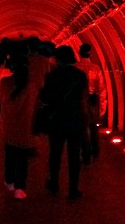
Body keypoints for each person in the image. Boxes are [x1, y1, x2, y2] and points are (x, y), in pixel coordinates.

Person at [40, 45, 88, 200]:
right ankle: (73, 189)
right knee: (74, 155)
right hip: (75, 119)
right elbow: (83, 98)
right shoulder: (80, 75)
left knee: (55, 153)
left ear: (58, 58)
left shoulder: (52, 76)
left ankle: (54, 183)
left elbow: (45, 98)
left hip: (57, 119)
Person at [0, 52, 41, 200]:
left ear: (12, 67)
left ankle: (9, 181)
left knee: (9, 154)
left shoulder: (5, 82)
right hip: (26, 125)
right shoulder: (33, 85)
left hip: (8, 125)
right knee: (22, 158)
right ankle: (20, 188)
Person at [75, 43, 107, 163]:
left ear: (79, 53)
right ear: (90, 53)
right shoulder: (95, 68)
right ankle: (95, 151)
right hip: (92, 100)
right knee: (93, 127)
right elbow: (102, 88)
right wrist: (103, 107)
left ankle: (85, 153)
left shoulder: (75, 67)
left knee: (82, 127)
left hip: (78, 100)